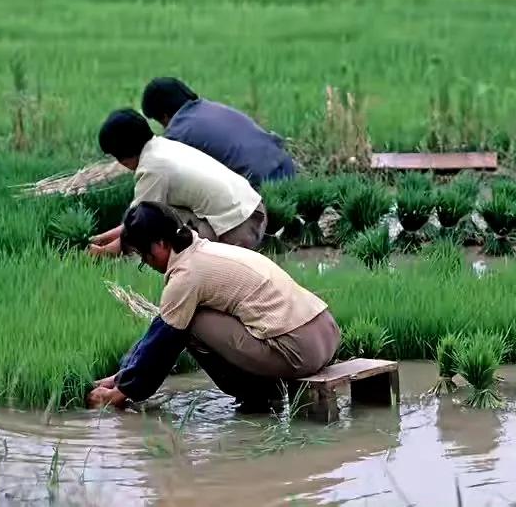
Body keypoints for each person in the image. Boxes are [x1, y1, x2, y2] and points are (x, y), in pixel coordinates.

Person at [86, 201, 341, 413]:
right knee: (179, 321)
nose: (148, 264)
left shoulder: (187, 275)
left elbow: (162, 342)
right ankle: (264, 392)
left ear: (161, 244)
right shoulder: (208, 251)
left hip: (298, 350)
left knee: (188, 325)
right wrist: (124, 375)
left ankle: (258, 397)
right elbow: (159, 328)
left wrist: (122, 392)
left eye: (145, 256)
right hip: (325, 333)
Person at [88, 108, 267, 256]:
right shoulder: (163, 146)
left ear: (123, 159)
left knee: (163, 233)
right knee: (166, 213)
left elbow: (137, 226)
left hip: (240, 230)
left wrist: (104, 253)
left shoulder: (153, 169)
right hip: (255, 212)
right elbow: (133, 221)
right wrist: (102, 238)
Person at [141, 77, 296, 189]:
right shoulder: (208, 107)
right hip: (286, 167)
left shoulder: (178, 133)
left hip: (263, 184)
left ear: (164, 116)